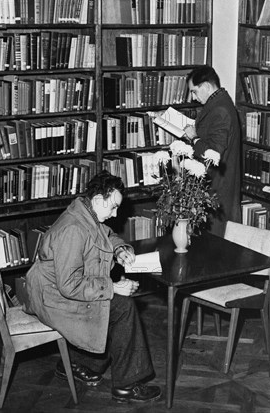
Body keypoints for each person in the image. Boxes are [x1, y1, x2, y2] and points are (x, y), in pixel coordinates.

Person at [25, 171, 161, 404]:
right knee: (123, 307)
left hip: (58, 289)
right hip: (54, 298)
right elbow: (68, 285)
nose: (116, 213)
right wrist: (112, 288)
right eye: (113, 207)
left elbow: (106, 235)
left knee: (116, 307)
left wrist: (119, 249)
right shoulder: (73, 229)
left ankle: (83, 363)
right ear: (98, 200)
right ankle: (126, 385)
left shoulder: (85, 212)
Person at [183, 66, 241, 237]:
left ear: (207, 86)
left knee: (214, 240)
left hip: (217, 187)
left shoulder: (220, 110)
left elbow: (214, 153)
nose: (193, 97)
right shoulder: (218, 103)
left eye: (194, 91)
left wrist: (194, 139)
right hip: (216, 184)